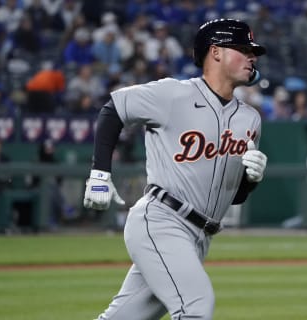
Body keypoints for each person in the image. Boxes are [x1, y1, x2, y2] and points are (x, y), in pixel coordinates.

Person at [83, 18, 268, 320]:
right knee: (196, 306)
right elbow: (114, 109)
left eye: (253, 51)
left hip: (199, 237)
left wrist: (250, 180)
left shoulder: (250, 119)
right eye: (243, 49)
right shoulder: (173, 95)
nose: (252, 57)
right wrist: (100, 173)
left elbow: (235, 198)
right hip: (162, 220)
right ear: (216, 52)